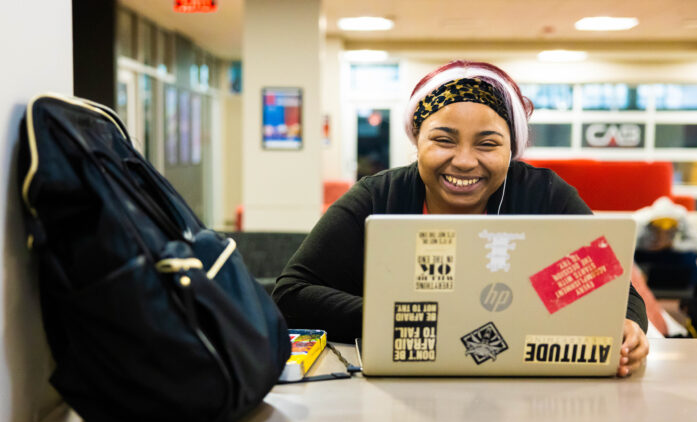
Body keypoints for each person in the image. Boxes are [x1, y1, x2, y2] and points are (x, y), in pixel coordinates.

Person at [272, 60, 649, 377]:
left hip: (526, 391)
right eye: (444, 140)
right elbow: (291, 294)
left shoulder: (543, 195)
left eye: (487, 143)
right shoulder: (378, 196)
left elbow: (614, 291)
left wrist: (628, 328)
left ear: (512, 150)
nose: (465, 160)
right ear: (417, 140)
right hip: (400, 387)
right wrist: (409, 319)